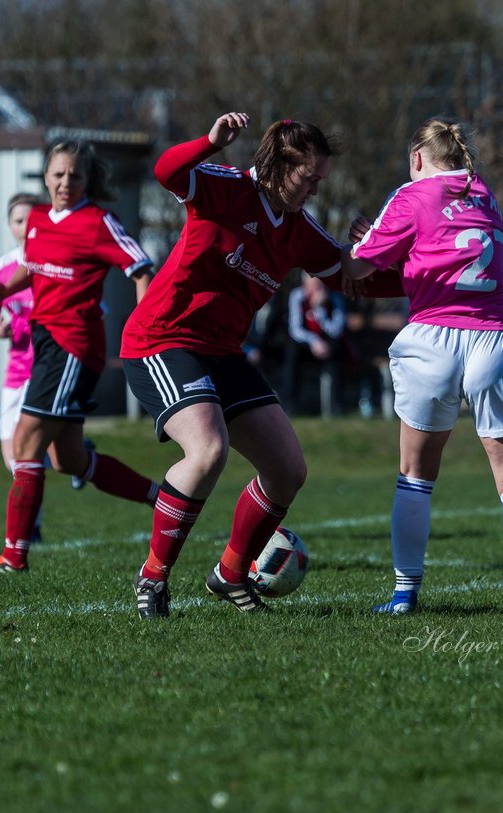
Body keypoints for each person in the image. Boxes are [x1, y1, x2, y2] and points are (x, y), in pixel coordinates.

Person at [121, 112, 400, 618]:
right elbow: (165, 171)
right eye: (309, 177)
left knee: (287, 469)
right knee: (207, 452)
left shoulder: (296, 229)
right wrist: (209, 141)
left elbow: (351, 276)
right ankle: (153, 579)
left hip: (222, 352)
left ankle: (231, 574)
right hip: (162, 339)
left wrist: (421, 273)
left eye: (321, 179)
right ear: (279, 164)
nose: (315, 189)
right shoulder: (226, 189)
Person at [342, 116, 503, 618]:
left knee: (415, 475)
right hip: (495, 338)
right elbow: (445, 258)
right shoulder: (485, 194)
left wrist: (358, 245)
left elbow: (357, 267)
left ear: (417, 159)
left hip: (432, 339)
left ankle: (403, 594)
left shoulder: (411, 194)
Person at [0, 138, 159, 574]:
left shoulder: (98, 222)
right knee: (69, 459)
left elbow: (140, 267)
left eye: (75, 175)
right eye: (58, 174)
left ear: (86, 179)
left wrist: (145, 325)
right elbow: (34, 266)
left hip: (73, 346)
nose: (65, 182)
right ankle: (164, 498)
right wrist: (5, 288)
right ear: (46, 176)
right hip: (46, 344)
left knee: (24, 443)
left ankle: (14, 557)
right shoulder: (38, 221)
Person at [0, 192, 47, 538]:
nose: (25, 227)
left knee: (38, 449)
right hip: (17, 370)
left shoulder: (53, 261)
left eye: (31, 219)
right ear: (9, 226)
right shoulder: (4, 267)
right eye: (18, 221)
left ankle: (30, 527)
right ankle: (31, 523)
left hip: (49, 367)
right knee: (13, 455)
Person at [282, 271, 350, 416]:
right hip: (305, 344)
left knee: (337, 353)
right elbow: (295, 329)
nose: (317, 289)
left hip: (328, 346)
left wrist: (319, 311)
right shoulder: (297, 296)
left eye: (320, 285)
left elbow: (336, 331)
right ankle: (290, 404)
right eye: (313, 285)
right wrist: (314, 341)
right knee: (292, 352)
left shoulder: (335, 298)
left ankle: (336, 406)